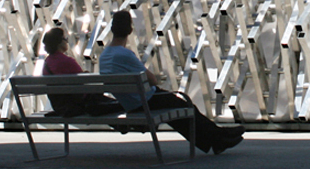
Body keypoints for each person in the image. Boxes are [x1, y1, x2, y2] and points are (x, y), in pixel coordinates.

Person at [99, 10, 244, 155]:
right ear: (130, 30)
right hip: (146, 101)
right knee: (186, 106)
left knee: (179, 115)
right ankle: (219, 137)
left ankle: (218, 139)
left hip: (130, 103)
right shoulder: (125, 54)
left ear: (112, 29)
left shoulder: (104, 56)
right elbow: (152, 80)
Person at [40, 27, 121, 116]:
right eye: (65, 39)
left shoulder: (47, 63)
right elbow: (84, 80)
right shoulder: (67, 61)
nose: (67, 41)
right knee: (119, 105)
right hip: (80, 105)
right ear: (59, 42)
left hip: (61, 107)